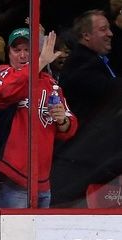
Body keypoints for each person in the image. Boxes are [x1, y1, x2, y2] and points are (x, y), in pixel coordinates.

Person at [0, 28, 77, 208]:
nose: (22, 55)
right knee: (12, 236)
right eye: (16, 50)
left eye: (28, 50)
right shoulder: (2, 74)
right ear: (9, 53)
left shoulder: (50, 83)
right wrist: (41, 61)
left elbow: (69, 125)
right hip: (11, 177)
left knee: (38, 237)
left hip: (43, 181)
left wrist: (62, 121)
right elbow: (6, 90)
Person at [52, 9, 119, 207]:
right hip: (79, 158)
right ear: (86, 36)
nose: (110, 33)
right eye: (103, 29)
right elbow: (109, 90)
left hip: (89, 156)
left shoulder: (94, 60)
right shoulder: (80, 64)